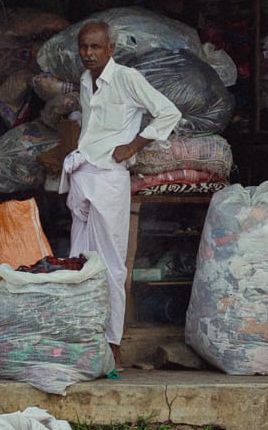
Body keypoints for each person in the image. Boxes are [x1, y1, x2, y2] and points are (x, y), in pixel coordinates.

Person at [59, 21, 180, 366]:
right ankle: (85, 338)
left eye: (96, 47)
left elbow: (169, 111)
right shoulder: (85, 81)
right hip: (83, 175)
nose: (88, 54)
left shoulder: (127, 78)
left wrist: (133, 145)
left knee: (111, 263)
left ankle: (112, 345)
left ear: (111, 49)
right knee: (80, 257)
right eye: (84, 47)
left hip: (110, 179)